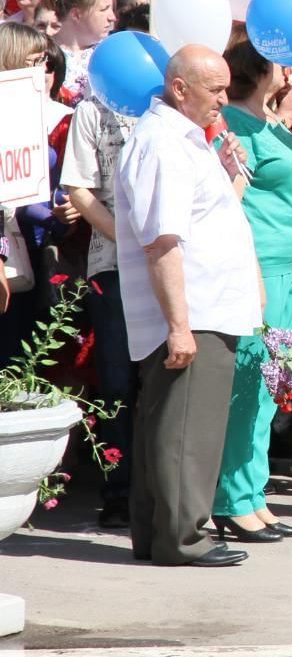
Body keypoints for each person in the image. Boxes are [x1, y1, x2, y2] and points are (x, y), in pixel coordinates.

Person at [117, 45, 261, 567]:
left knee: (175, 427)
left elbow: (204, 220)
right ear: (180, 88)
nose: (225, 99)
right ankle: (182, 537)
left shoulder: (184, 138)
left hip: (207, 307)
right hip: (192, 312)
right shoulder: (162, 141)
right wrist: (180, 326)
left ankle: (164, 534)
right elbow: (163, 240)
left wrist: (229, 173)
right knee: (184, 433)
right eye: (215, 90)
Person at [212, 41, 292, 544]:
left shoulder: (270, 119)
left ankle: (253, 493)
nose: (290, 69)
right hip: (262, 267)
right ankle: (232, 498)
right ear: (258, 71)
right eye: (281, 62)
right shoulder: (235, 126)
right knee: (251, 383)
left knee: (272, 382)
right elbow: (233, 199)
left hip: (289, 266)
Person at [59, 51, 141, 529]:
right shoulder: (91, 111)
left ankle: (154, 486)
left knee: (158, 380)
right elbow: (79, 190)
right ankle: (119, 490)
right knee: (115, 383)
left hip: (166, 262)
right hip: (111, 265)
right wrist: (123, 237)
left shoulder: (164, 106)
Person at [47, 0, 114, 105]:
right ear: (76, 14)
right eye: (104, 9)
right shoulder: (42, 51)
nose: (112, 17)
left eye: (111, 8)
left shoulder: (112, 52)